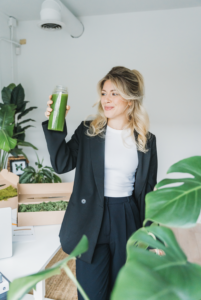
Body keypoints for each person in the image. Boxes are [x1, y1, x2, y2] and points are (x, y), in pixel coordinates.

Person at [42, 66, 163, 300]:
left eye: (114, 93)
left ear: (130, 99)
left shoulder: (146, 140)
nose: (106, 99)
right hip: (90, 218)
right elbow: (61, 163)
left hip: (127, 216)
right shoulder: (89, 131)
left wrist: (152, 234)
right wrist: (54, 123)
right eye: (104, 93)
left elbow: (149, 191)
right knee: (91, 294)